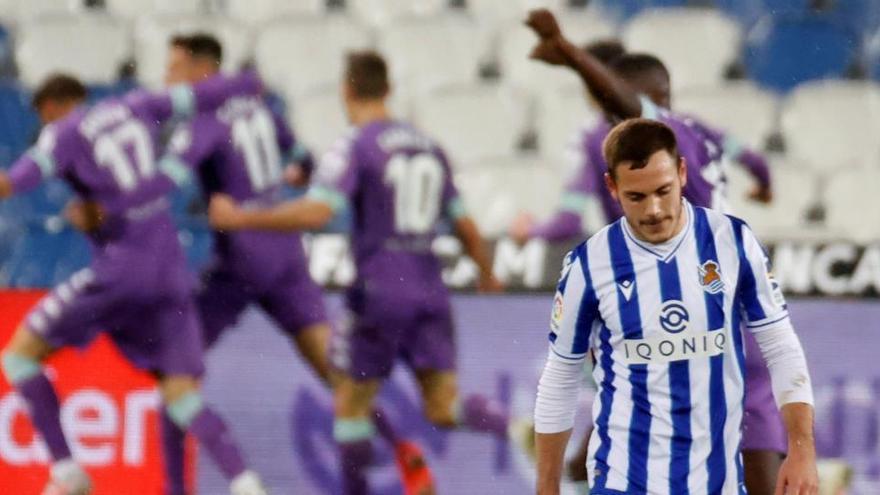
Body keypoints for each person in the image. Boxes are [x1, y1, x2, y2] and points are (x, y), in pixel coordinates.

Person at [207, 50, 510, 495]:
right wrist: (486, 271)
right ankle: (521, 426)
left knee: (349, 405)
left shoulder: (357, 143)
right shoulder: (428, 145)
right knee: (445, 407)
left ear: (346, 91)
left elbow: (319, 211)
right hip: (430, 289)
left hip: (379, 290)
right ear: (388, 90)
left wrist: (242, 218)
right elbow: (464, 222)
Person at [522, 16, 786, 494]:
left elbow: (567, 218)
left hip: (679, 304)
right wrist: (764, 187)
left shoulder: (619, 138)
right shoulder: (699, 130)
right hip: (732, 305)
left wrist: (573, 55)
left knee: (606, 453)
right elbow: (755, 159)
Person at [159, 33, 432, 495]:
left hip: (241, 258)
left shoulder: (203, 119)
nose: (167, 79)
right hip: (285, 252)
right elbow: (303, 162)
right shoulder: (261, 108)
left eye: (174, 68)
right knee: (336, 372)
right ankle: (404, 449)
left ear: (200, 71)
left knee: (174, 375)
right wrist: (281, 179)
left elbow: (165, 182)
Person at [0, 73, 269, 495]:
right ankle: (245, 482)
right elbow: (195, 95)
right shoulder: (134, 105)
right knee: (181, 394)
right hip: (171, 272)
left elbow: (13, 182)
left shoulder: (62, 135)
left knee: (19, 357)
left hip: (120, 272)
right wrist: (248, 82)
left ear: (52, 105)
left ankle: (68, 472)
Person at [532, 117, 818, 494]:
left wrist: (802, 448)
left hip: (720, 482)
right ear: (612, 188)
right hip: (624, 480)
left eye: (663, 191)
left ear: (682, 172)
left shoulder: (732, 242)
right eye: (636, 196)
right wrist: (547, 485)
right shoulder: (588, 264)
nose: (653, 209)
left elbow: (780, 346)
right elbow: (561, 376)